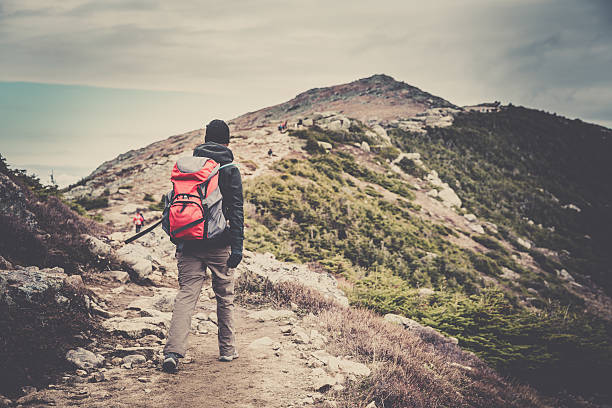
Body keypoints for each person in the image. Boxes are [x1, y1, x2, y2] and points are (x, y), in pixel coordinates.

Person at [162, 119, 244, 373]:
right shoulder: (229, 168)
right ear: (227, 141)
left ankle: (173, 352)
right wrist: (237, 247)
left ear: (206, 139)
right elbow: (237, 211)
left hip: (188, 242)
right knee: (224, 297)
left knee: (186, 295)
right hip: (219, 245)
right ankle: (227, 350)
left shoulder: (189, 167)